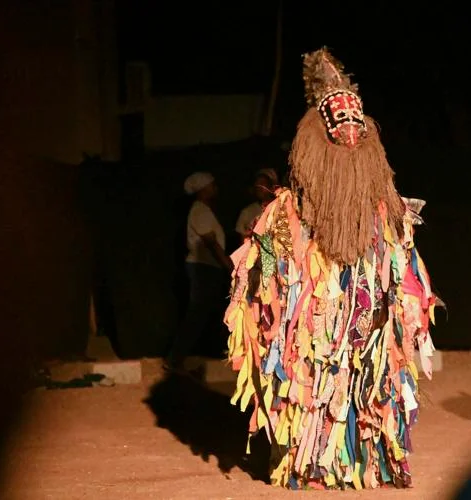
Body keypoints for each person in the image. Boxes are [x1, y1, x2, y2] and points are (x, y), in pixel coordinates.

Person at [223, 48, 437, 489]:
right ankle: (310, 461)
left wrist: (405, 306)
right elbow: (264, 274)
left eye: (357, 123)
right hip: (313, 323)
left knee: (365, 380)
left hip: (366, 316)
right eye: (340, 124)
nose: (351, 133)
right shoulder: (288, 211)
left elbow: (401, 269)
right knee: (312, 379)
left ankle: (365, 459)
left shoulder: (385, 211)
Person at [165, 172, 233, 373]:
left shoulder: (203, 210)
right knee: (197, 314)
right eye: (212, 185)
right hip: (202, 267)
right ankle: (174, 359)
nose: (215, 188)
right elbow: (211, 242)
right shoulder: (200, 210)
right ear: (203, 189)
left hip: (206, 266)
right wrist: (229, 265)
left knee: (206, 314)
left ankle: (195, 358)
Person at [234, 168, 278, 244]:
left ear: (272, 187)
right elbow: (244, 243)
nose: (259, 186)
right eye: (257, 183)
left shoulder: (282, 207)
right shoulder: (247, 212)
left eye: (263, 183)